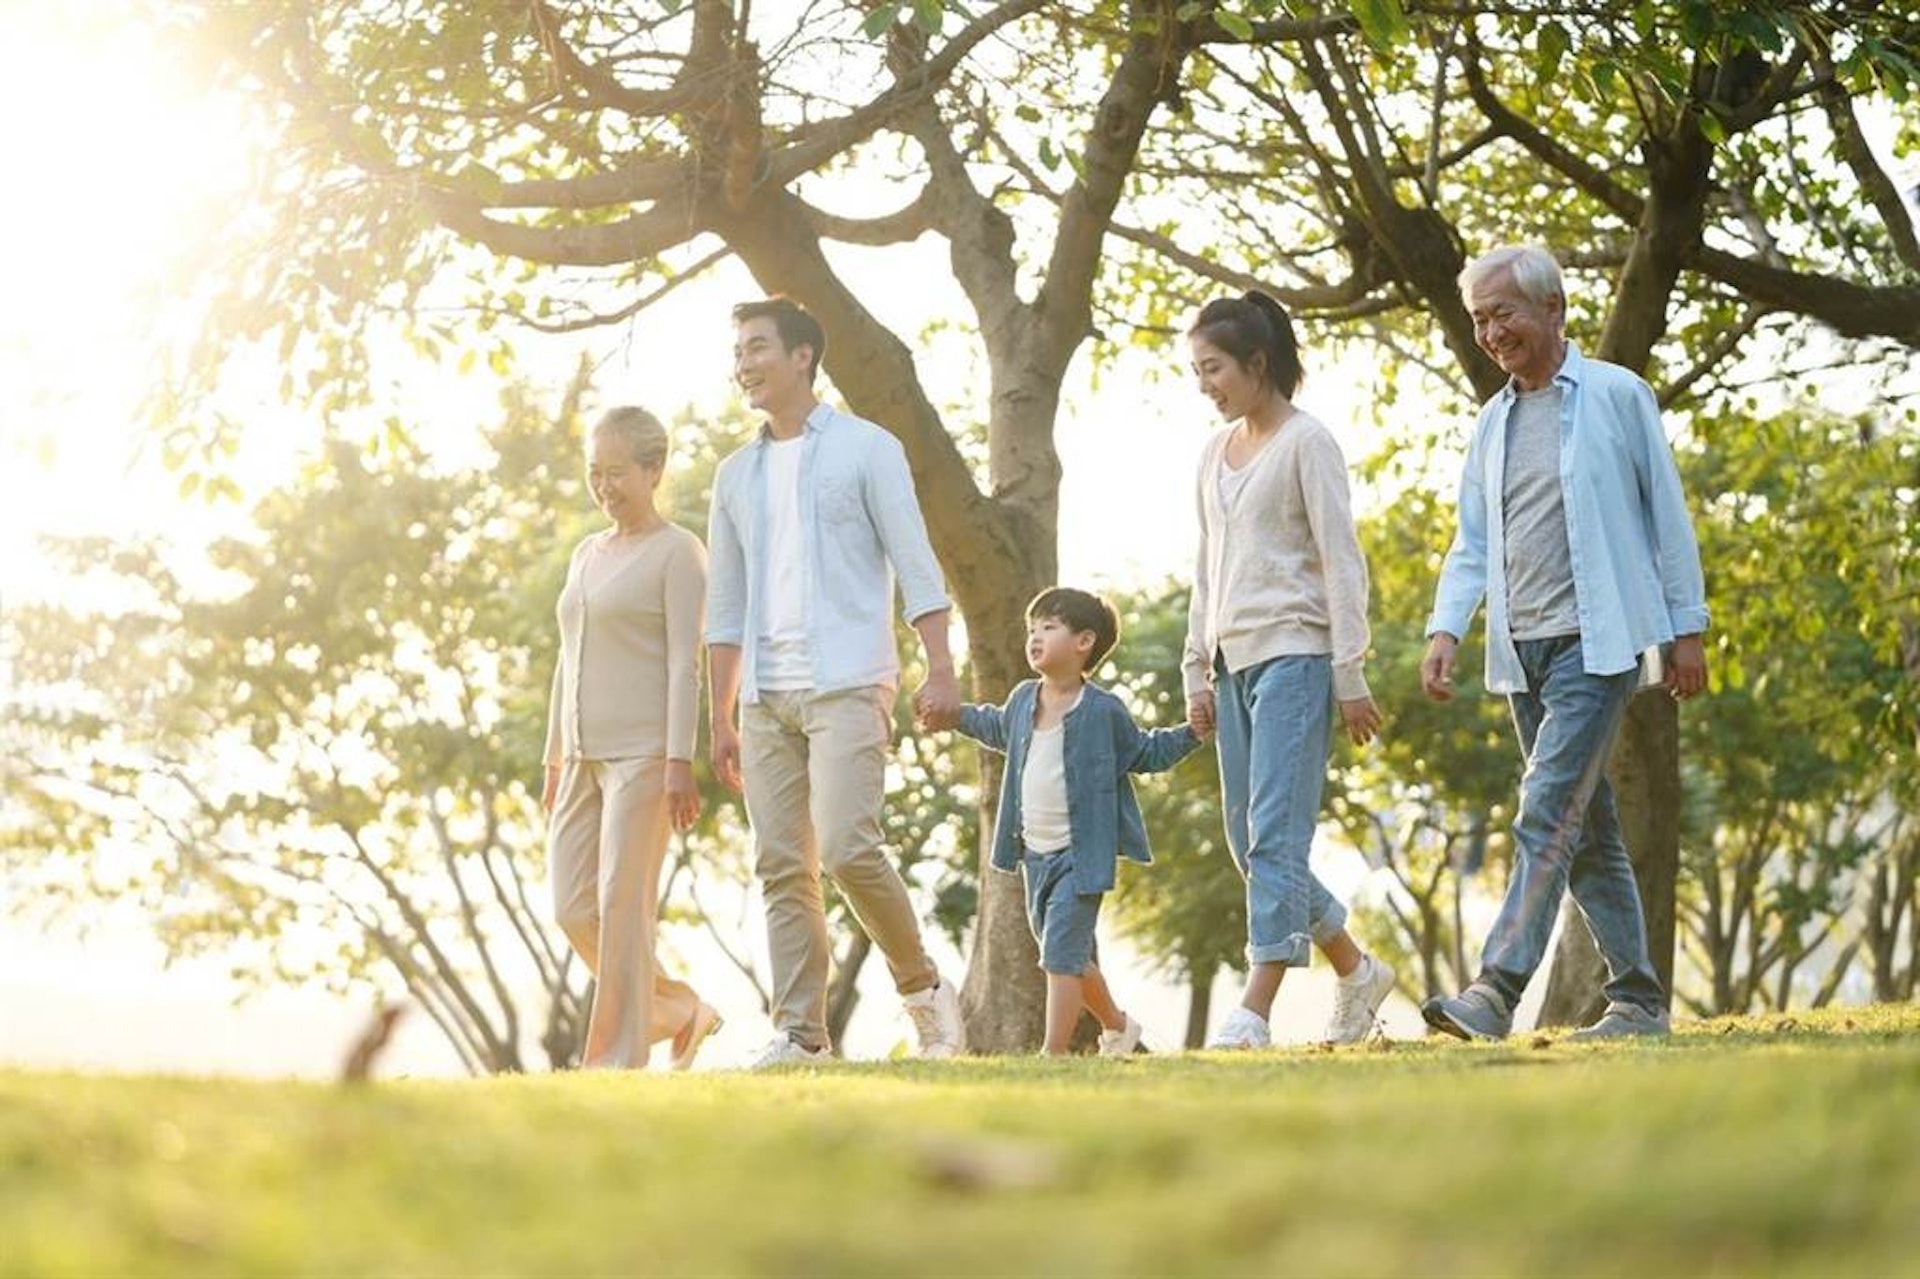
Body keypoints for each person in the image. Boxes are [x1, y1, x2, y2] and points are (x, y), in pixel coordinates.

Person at [1419, 245, 1709, 1043]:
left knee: (1546, 810)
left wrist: (1689, 628)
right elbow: (1471, 541)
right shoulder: (1493, 421)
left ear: (1554, 309)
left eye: (1502, 313)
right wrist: (1448, 625)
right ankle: (1640, 1002)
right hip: (1521, 651)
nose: (1489, 332)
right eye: (1479, 318)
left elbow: (1666, 517)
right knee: (1586, 829)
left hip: (1598, 641)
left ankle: (1494, 990)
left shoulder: (1619, 395)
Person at [705, 296, 967, 1067]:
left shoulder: (866, 448)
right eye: (739, 351)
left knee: (850, 846)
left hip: (849, 677)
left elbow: (915, 559)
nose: (744, 364)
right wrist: (719, 715)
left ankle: (923, 989)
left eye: (757, 347)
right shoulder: (733, 474)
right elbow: (725, 602)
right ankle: (803, 1033)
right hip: (764, 697)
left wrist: (940, 663)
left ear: (802, 357)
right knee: (782, 864)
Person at [1182, 291, 1398, 1050]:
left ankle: (1254, 1010)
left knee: (1275, 836)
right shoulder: (1214, 453)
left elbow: (1343, 561)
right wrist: (1194, 669)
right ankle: (1357, 968)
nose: (1205, 384)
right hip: (1233, 660)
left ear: (1257, 362)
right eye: (1197, 370)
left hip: (1298, 658)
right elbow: (1209, 567)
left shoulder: (1309, 443)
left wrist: (1350, 670)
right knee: (1250, 845)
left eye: (1213, 368)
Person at [944, 587, 1204, 1056]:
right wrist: (953, 715)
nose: (1034, 637)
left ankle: (1054, 1052)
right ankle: (1119, 1028)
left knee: (1060, 957)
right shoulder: (1024, 699)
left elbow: (1145, 752)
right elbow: (992, 725)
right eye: (1031, 629)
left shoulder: (1104, 711)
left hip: (1081, 858)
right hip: (1033, 856)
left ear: (1084, 642)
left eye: (1048, 626)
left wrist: (1193, 733)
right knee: (1069, 957)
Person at [543, 406, 722, 1070]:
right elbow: (568, 656)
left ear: (653, 470)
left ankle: (614, 1059)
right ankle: (678, 1010)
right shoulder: (586, 553)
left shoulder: (680, 552)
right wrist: (554, 755)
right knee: (570, 904)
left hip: (646, 753)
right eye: (595, 472)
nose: (605, 486)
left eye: (617, 472)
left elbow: (685, 662)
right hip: (581, 753)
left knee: (623, 904)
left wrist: (681, 759)